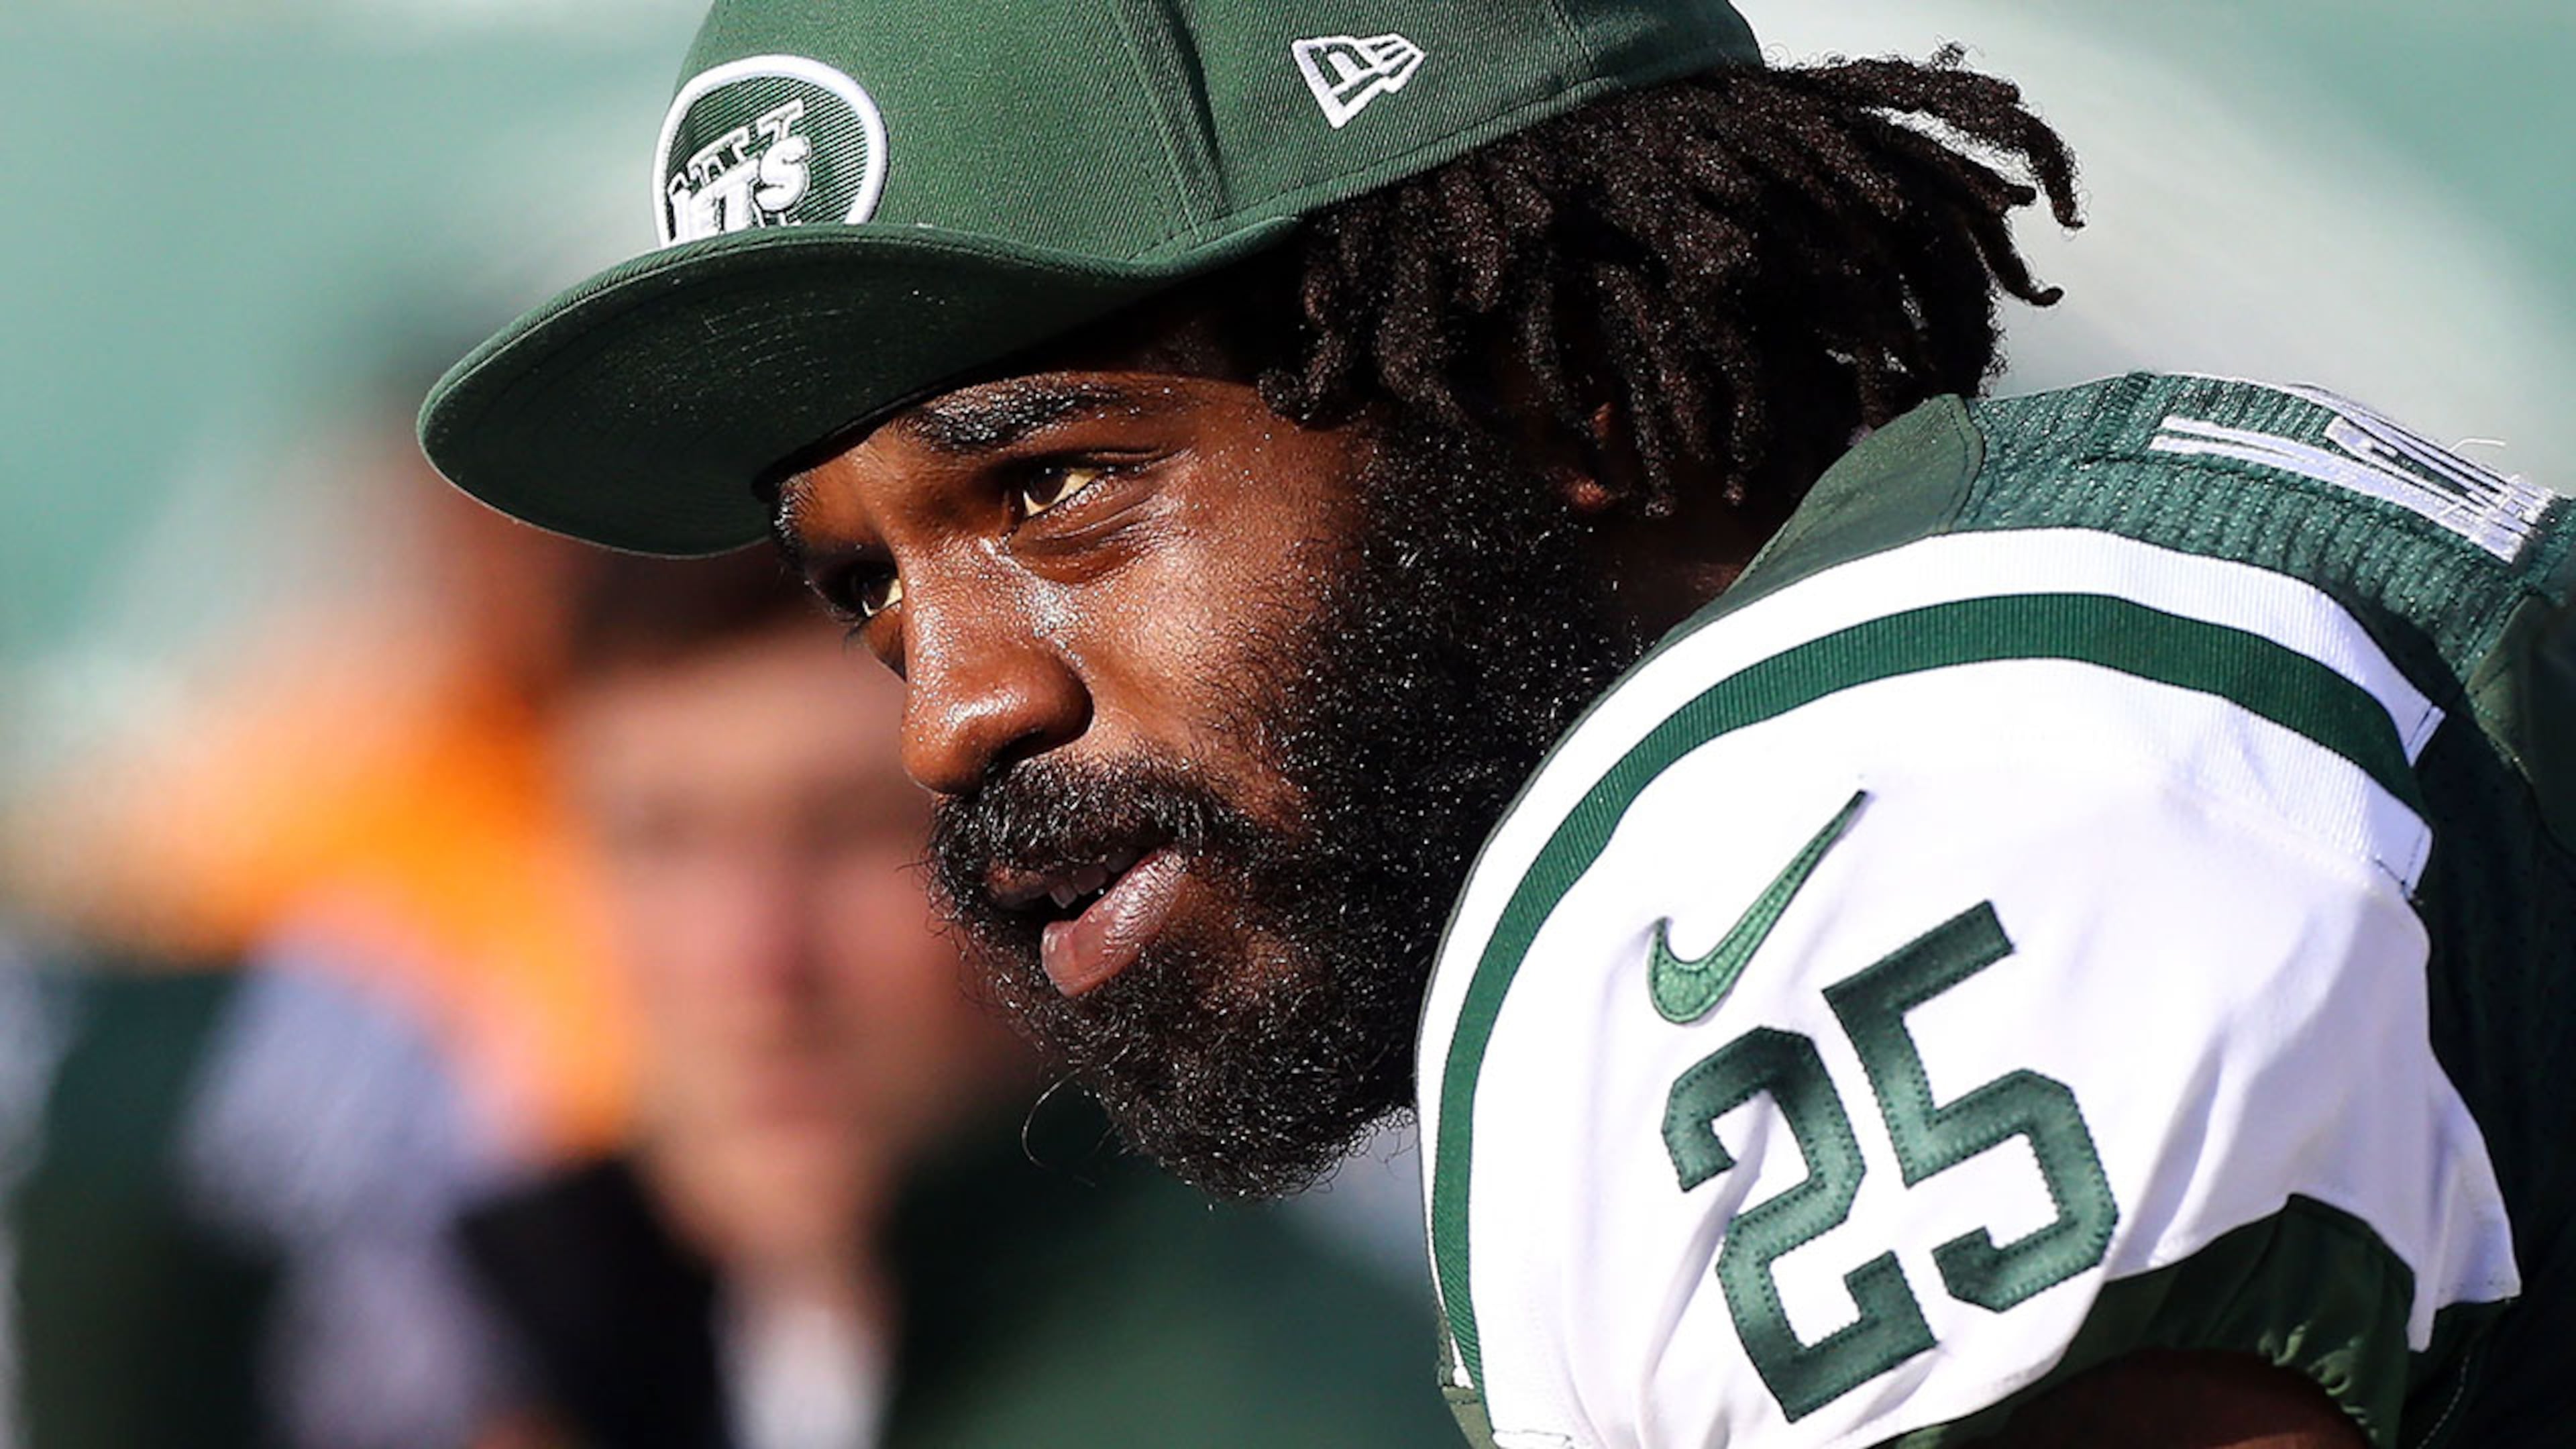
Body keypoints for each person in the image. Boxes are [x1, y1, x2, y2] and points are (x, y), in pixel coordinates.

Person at [417, 2, 2575, 1446]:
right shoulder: (2088, 590)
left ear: (1562, 375)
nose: (954, 710)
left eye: (1054, 487)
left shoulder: (1869, 822)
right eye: (864, 584)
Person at [458, 550, 1460, 1449]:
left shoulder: (1271, 1397)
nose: (752, 963)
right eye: (660, 841)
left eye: (852, 833)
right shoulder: (505, 1351)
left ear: (1059, 868)